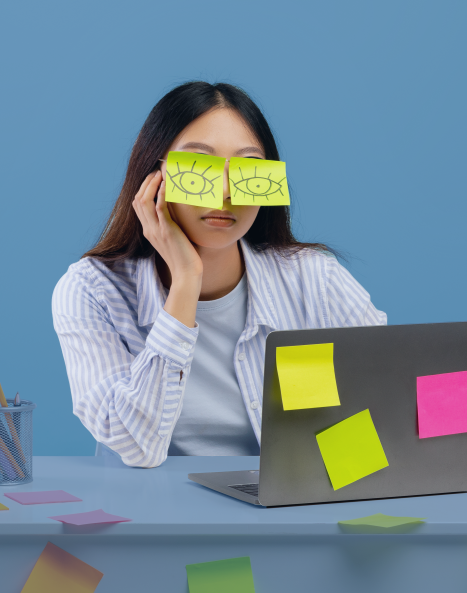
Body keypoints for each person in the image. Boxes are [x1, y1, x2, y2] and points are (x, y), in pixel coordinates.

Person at [52, 82, 386, 467]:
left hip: (282, 513)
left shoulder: (314, 279)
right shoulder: (91, 290)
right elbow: (133, 446)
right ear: (153, 177)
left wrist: (324, 489)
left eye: (248, 170)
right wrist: (186, 281)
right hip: (148, 517)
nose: (225, 193)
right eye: (198, 168)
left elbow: (384, 398)